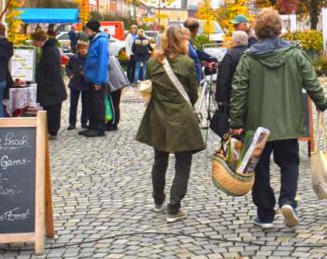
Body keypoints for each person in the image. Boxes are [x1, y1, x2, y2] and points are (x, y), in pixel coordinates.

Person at [230, 9, 327, 229]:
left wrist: (236, 121)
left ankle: (265, 214)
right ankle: (287, 201)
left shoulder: (249, 57)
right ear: (279, 28)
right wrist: (321, 102)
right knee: (289, 162)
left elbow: (239, 90)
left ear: (258, 29)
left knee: (260, 166)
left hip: (258, 126)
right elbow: (311, 80)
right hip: (288, 122)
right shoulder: (294, 53)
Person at [136, 25, 205, 223]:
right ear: (181, 40)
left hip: (158, 115)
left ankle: (158, 200)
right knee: (183, 163)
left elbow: (148, 87)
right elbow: (193, 93)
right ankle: (174, 207)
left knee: (160, 159)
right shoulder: (187, 63)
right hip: (181, 116)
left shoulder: (152, 63)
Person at [32, 31, 67, 139]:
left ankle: (52, 131)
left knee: (53, 110)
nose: (34, 44)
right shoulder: (50, 48)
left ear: (39, 40)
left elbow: (52, 70)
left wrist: (45, 83)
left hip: (51, 87)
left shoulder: (49, 50)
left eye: (34, 41)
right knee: (51, 109)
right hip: (52, 87)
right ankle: (51, 130)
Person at [81, 20, 109, 138]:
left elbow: (103, 62)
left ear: (92, 30)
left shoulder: (101, 41)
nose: (86, 33)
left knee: (97, 104)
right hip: (91, 78)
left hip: (98, 79)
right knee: (91, 104)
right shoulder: (93, 40)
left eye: (87, 30)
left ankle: (99, 128)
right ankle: (92, 126)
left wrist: (98, 81)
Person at [215, 30, 248, 112]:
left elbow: (223, 78)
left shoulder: (230, 55)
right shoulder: (250, 53)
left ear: (234, 41)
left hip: (232, 94)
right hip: (247, 94)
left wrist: (220, 98)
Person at [65, 41, 89, 130]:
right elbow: (67, 67)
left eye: (85, 48)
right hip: (75, 82)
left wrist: (87, 73)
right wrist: (70, 74)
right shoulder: (73, 58)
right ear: (78, 49)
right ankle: (72, 123)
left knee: (86, 104)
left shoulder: (89, 58)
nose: (83, 50)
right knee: (73, 104)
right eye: (81, 48)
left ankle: (84, 122)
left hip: (86, 83)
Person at [106, 50, 130, 132]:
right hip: (118, 83)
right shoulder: (111, 57)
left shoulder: (107, 58)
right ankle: (113, 122)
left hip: (114, 84)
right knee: (115, 103)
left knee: (113, 104)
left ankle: (113, 123)